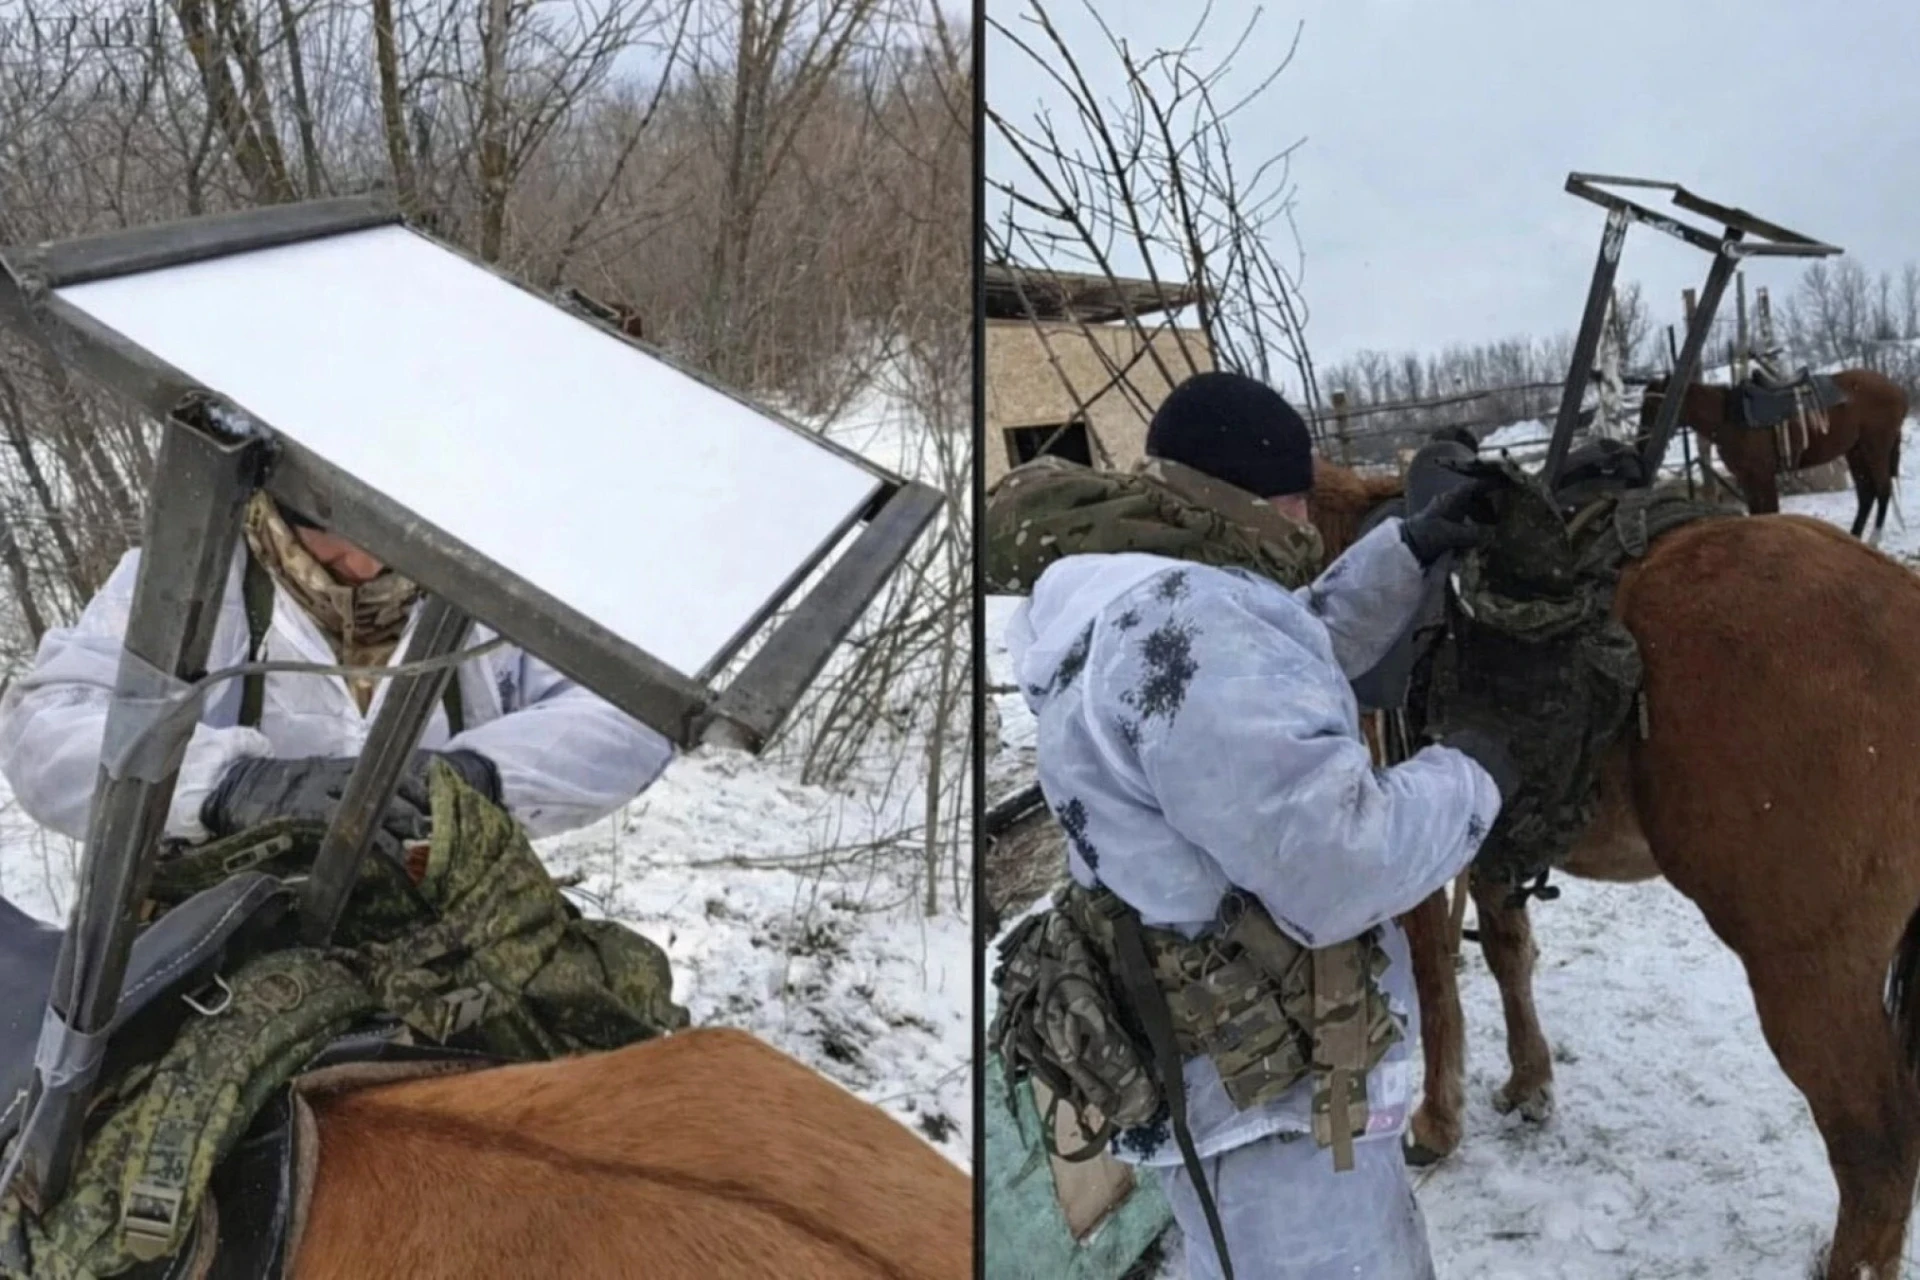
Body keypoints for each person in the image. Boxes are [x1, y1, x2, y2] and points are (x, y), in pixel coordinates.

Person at [998, 371, 1519, 1280]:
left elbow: (1278, 658)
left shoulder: (1132, 591)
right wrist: (1474, 774)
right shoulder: (1193, 629)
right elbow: (1337, 865)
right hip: (1271, 1102)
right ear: (1266, 500)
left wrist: (1402, 552)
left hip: (1215, 1077)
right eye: (1297, 506)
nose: (1304, 525)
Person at [0, 492, 673, 852]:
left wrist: (478, 778)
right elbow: (46, 731)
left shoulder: (496, 582)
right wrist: (230, 786)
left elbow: (627, 711)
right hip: (227, 926)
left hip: (450, 916)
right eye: (323, 525)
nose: (357, 556)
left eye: (379, 524)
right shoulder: (188, 578)